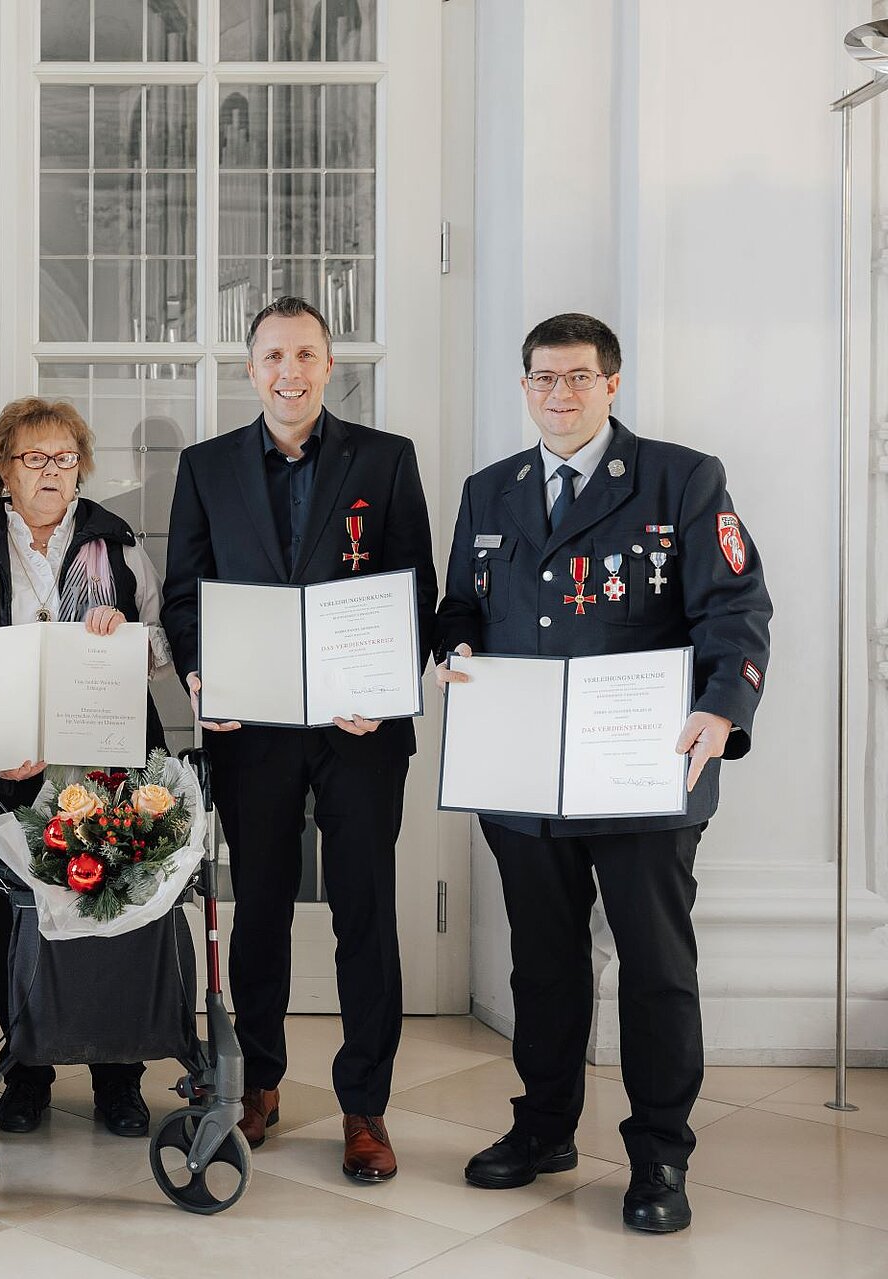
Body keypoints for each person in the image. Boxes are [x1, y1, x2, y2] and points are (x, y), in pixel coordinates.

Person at [434, 312, 772, 1233]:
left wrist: (721, 708)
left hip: (642, 773)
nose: (561, 394)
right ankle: (544, 1127)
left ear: (611, 384)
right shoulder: (489, 490)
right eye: (544, 378)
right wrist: (452, 646)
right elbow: (459, 604)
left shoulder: (681, 478)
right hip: (524, 778)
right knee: (542, 965)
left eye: (579, 377)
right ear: (525, 386)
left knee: (655, 968)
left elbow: (737, 606)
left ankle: (660, 1153)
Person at [162, 295, 436, 1183]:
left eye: (307, 354)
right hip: (254, 730)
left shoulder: (386, 461)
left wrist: (385, 684)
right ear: (252, 369)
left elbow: (413, 593)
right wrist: (201, 674)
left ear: (329, 364)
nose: (291, 371)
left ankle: (366, 1106)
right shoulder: (206, 468)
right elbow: (182, 595)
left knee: (364, 912)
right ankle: (258, 1080)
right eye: (274, 355)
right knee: (263, 912)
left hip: (360, 730)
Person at [0, 396, 171, 1138]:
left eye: (64, 458)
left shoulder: (118, 542)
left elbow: (164, 648)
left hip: (108, 771)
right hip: (8, 773)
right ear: (2, 467)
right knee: (21, 916)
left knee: (115, 913)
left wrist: (130, 632)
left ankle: (118, 1076)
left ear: (81, 466)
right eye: (33, 458)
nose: (51, 472)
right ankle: (28, 1069)